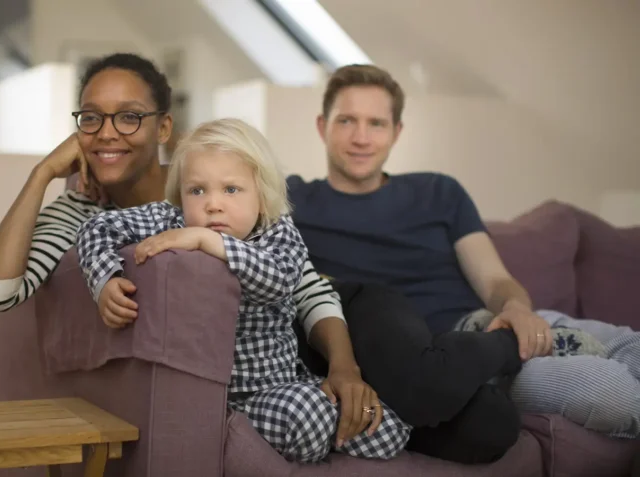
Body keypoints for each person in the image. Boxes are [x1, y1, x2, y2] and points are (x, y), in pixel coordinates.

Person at [0, 53, 387, 450]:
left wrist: (343, 367)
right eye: (91, 118)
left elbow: (304, 285)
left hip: (307, 336)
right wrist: (42, 173)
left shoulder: (208, 174)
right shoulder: (81, 210)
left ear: (163, 128)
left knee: (391, 329)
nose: (106, 132)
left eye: (129, 116)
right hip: (247, 382)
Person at [288, 63, 640, 463]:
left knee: (632, 346)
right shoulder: (293, 204)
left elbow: (494, 280)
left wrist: (517, 310)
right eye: (346, 120)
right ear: (322, 126)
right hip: (447, 366)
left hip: (489, 325)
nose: (361, 138)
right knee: (611, 392)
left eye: (376, 124)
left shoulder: (440, 192)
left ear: (397, 132)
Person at [75, 118, 411, 463]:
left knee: (386, 431)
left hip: (279, 385)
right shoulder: (172, 220)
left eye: (231, 190)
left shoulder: (277, 231)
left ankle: (299, 433)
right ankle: (262, 433)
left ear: (263, 198)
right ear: (180, 196)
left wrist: (210, 241)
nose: (212, 204)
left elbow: (278, 282)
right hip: (217, 399)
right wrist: (104, 281)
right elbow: (95, 227)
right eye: (197, 190)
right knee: (307, 414)